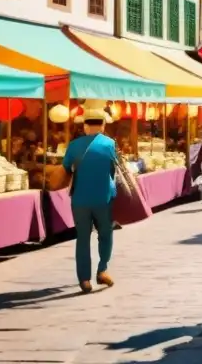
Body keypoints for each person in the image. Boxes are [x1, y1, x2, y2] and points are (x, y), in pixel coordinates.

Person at [63, 106, 119, 294]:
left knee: (83, 238)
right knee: (106, 234)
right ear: (103, 125)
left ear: (85, 126)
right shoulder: (110, 144)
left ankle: (84, 279)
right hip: (104, 197)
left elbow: (66, 168)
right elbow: (113, 170)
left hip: (80, 199)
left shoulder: (74, 145)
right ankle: (102, 269)